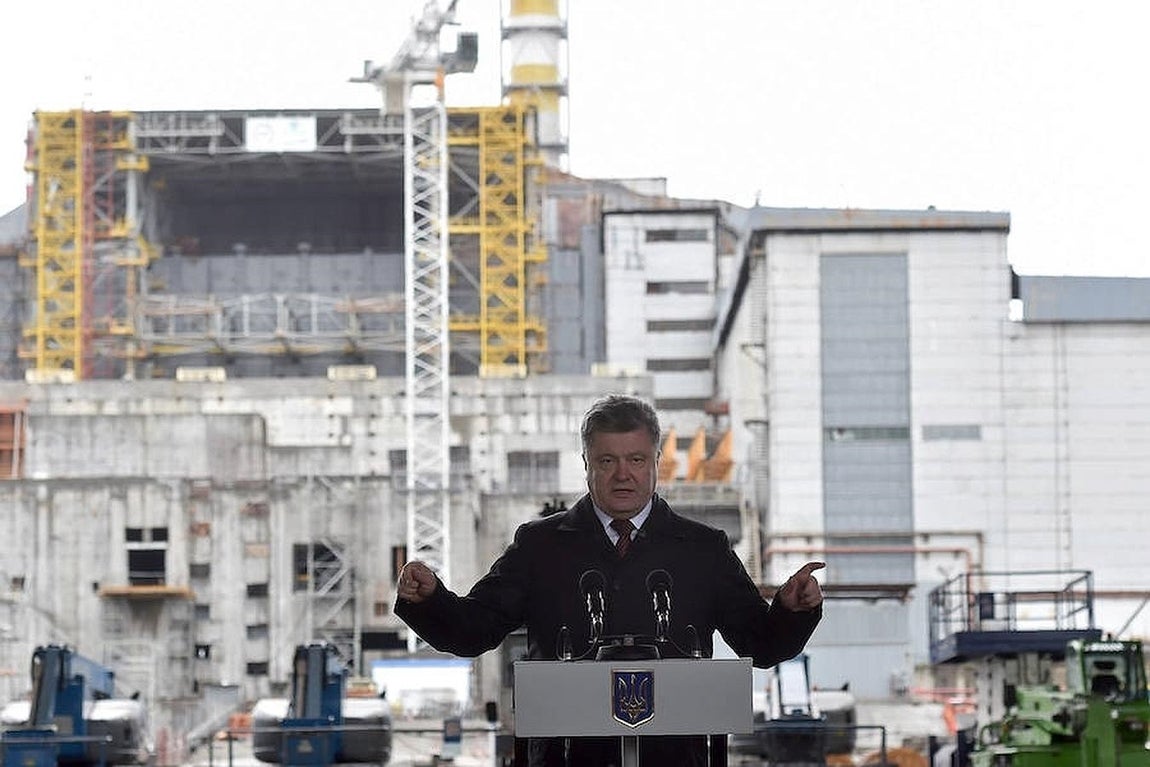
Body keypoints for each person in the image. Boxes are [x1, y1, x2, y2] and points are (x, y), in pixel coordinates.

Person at [396, 393, 825, 766]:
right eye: (608, 461)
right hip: (565, 757)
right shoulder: (540, 545)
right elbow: (473, 631)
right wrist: (430, 600)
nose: (624, 474)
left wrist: (791, 611)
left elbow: (762, 644)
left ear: (656, 462)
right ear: (587, 464)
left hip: (677, 759)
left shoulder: (704, 549)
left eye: (636, 460)